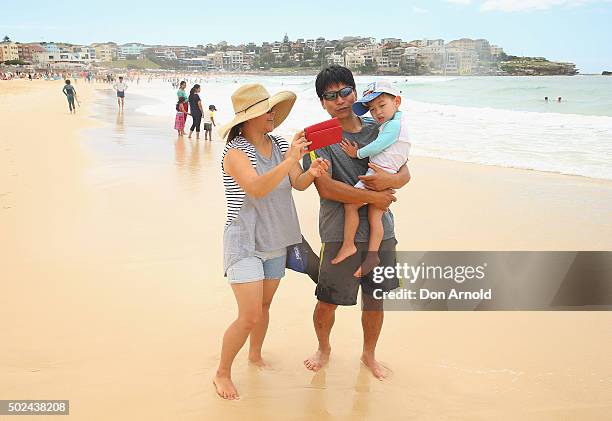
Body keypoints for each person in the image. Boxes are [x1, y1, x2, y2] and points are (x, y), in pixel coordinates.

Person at [214, 83, 329, 400]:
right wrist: (290, 159)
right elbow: (257, 188)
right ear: (249, 117)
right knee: (249, 315)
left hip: (278, 238)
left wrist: (312, 171)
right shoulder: (235, 152)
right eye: (268, 111)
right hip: (246, 241)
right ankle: (222, 373)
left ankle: (255, 355)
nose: (274, 115)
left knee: (264, 306)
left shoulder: (278, 144)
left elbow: (297, 184)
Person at [302, 65, 410, 379]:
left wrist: (393, 182)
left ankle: (369, 355)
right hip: (338, 231)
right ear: (322, 102)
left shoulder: (378, 125)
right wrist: (374, 197)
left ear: (355, 90)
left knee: (375, 298)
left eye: (345, 91)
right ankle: (324, 348)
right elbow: (324, 187)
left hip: (381, 231)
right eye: (330, 96)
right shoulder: (318, 137)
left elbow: (405, 172)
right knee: (328, 299)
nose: (340, 100)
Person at [333, 80, 411, 277]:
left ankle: (349, 245)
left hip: (378, 174)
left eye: (382, 105)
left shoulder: (393, 126)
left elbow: (378, 146)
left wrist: (356, 154)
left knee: (350, 206)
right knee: (374, 216)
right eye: (372, 109)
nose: (378, 113)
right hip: (385, 172)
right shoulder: (391, 124)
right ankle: (372, 256)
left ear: (397, 101)